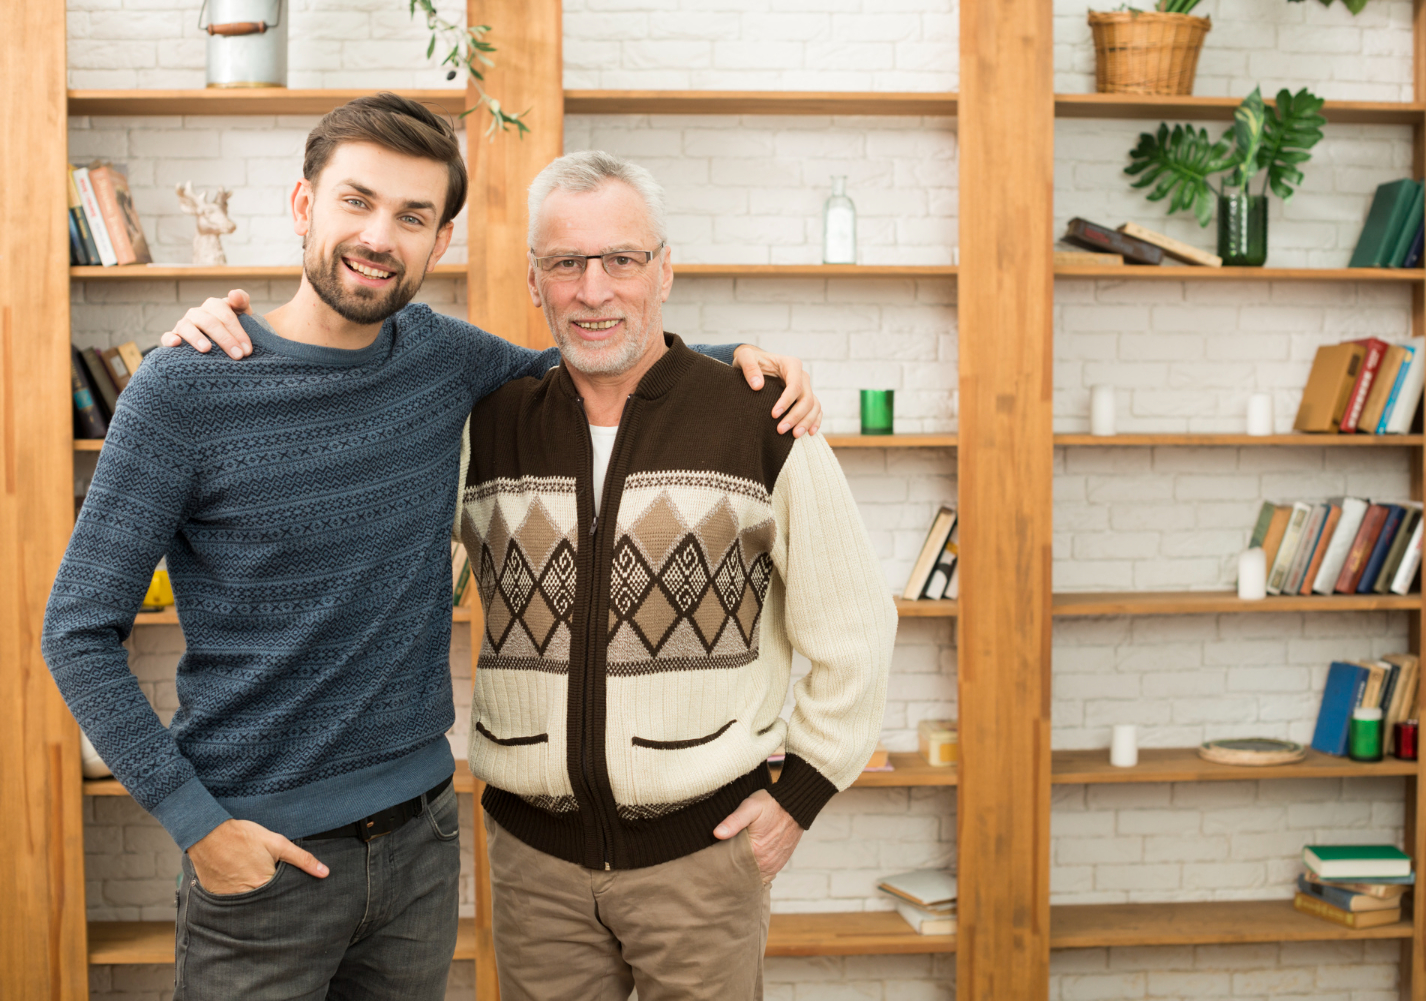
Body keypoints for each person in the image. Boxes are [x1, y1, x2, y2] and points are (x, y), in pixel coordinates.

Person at [41, 94, 819, 1001]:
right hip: (260, 858)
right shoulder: (183, 391)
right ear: (303, 205)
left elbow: (586, 361)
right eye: (356, 201)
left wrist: (739, 365)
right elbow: (77, 631)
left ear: (439, 242)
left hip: (419, 851)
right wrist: (195, 824)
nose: (379, 236)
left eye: (412, 216)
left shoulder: (441, 357)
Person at [456, 150, 895, 1001]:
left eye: (621, 259)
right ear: (533, 280)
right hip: (531, 869)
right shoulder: (488, 426)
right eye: (566, 263)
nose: (594, 289)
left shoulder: (758, 417)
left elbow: (856, 627)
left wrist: (798, 795)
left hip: (703, 865)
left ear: (665, 271)